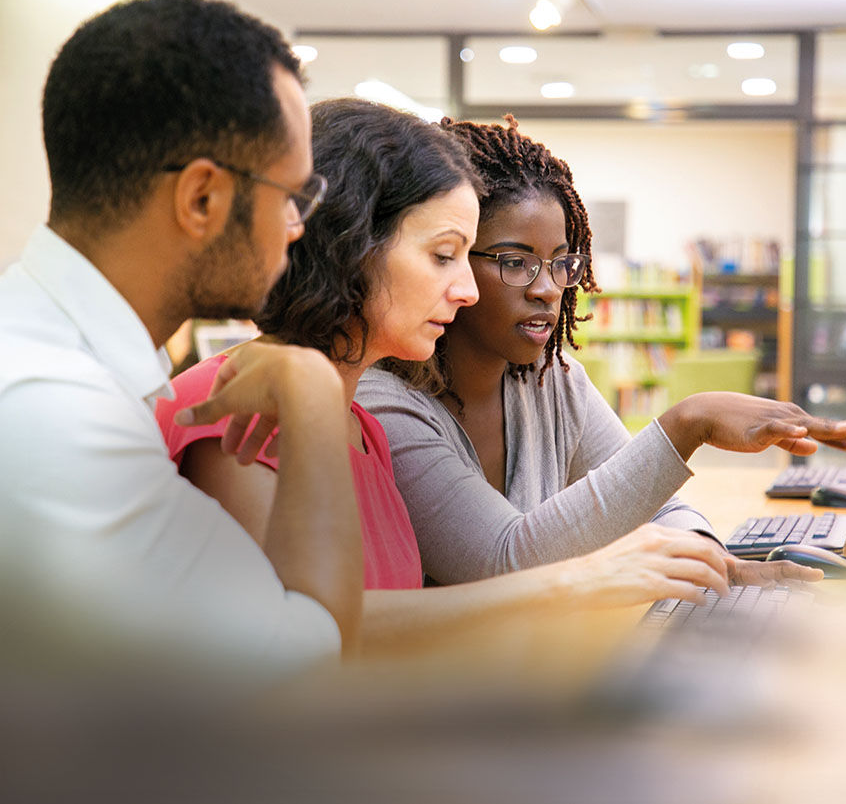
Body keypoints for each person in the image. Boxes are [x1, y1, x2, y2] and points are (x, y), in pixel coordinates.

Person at [157, 99, 811, 653]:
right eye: (445, 255)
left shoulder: (359, 427)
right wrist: (582, 581)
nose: (467, 288)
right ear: (349, 244)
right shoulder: (234, 407)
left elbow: (385, 631)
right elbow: (310, 643)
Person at [0, 0, 363, 668]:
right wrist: (311, 387)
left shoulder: (45, 350)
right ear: (202, 198)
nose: (297, 227)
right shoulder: (57, 410)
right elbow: (306, 661)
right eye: (292, 196)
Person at [357, 115, 846, 585]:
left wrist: (721, 567)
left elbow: (660, 509)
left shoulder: (552, 381)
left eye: (563, 262)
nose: (547, 289)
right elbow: (501, 561)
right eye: (517, 262)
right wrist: (686, 424)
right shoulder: (383, 404)